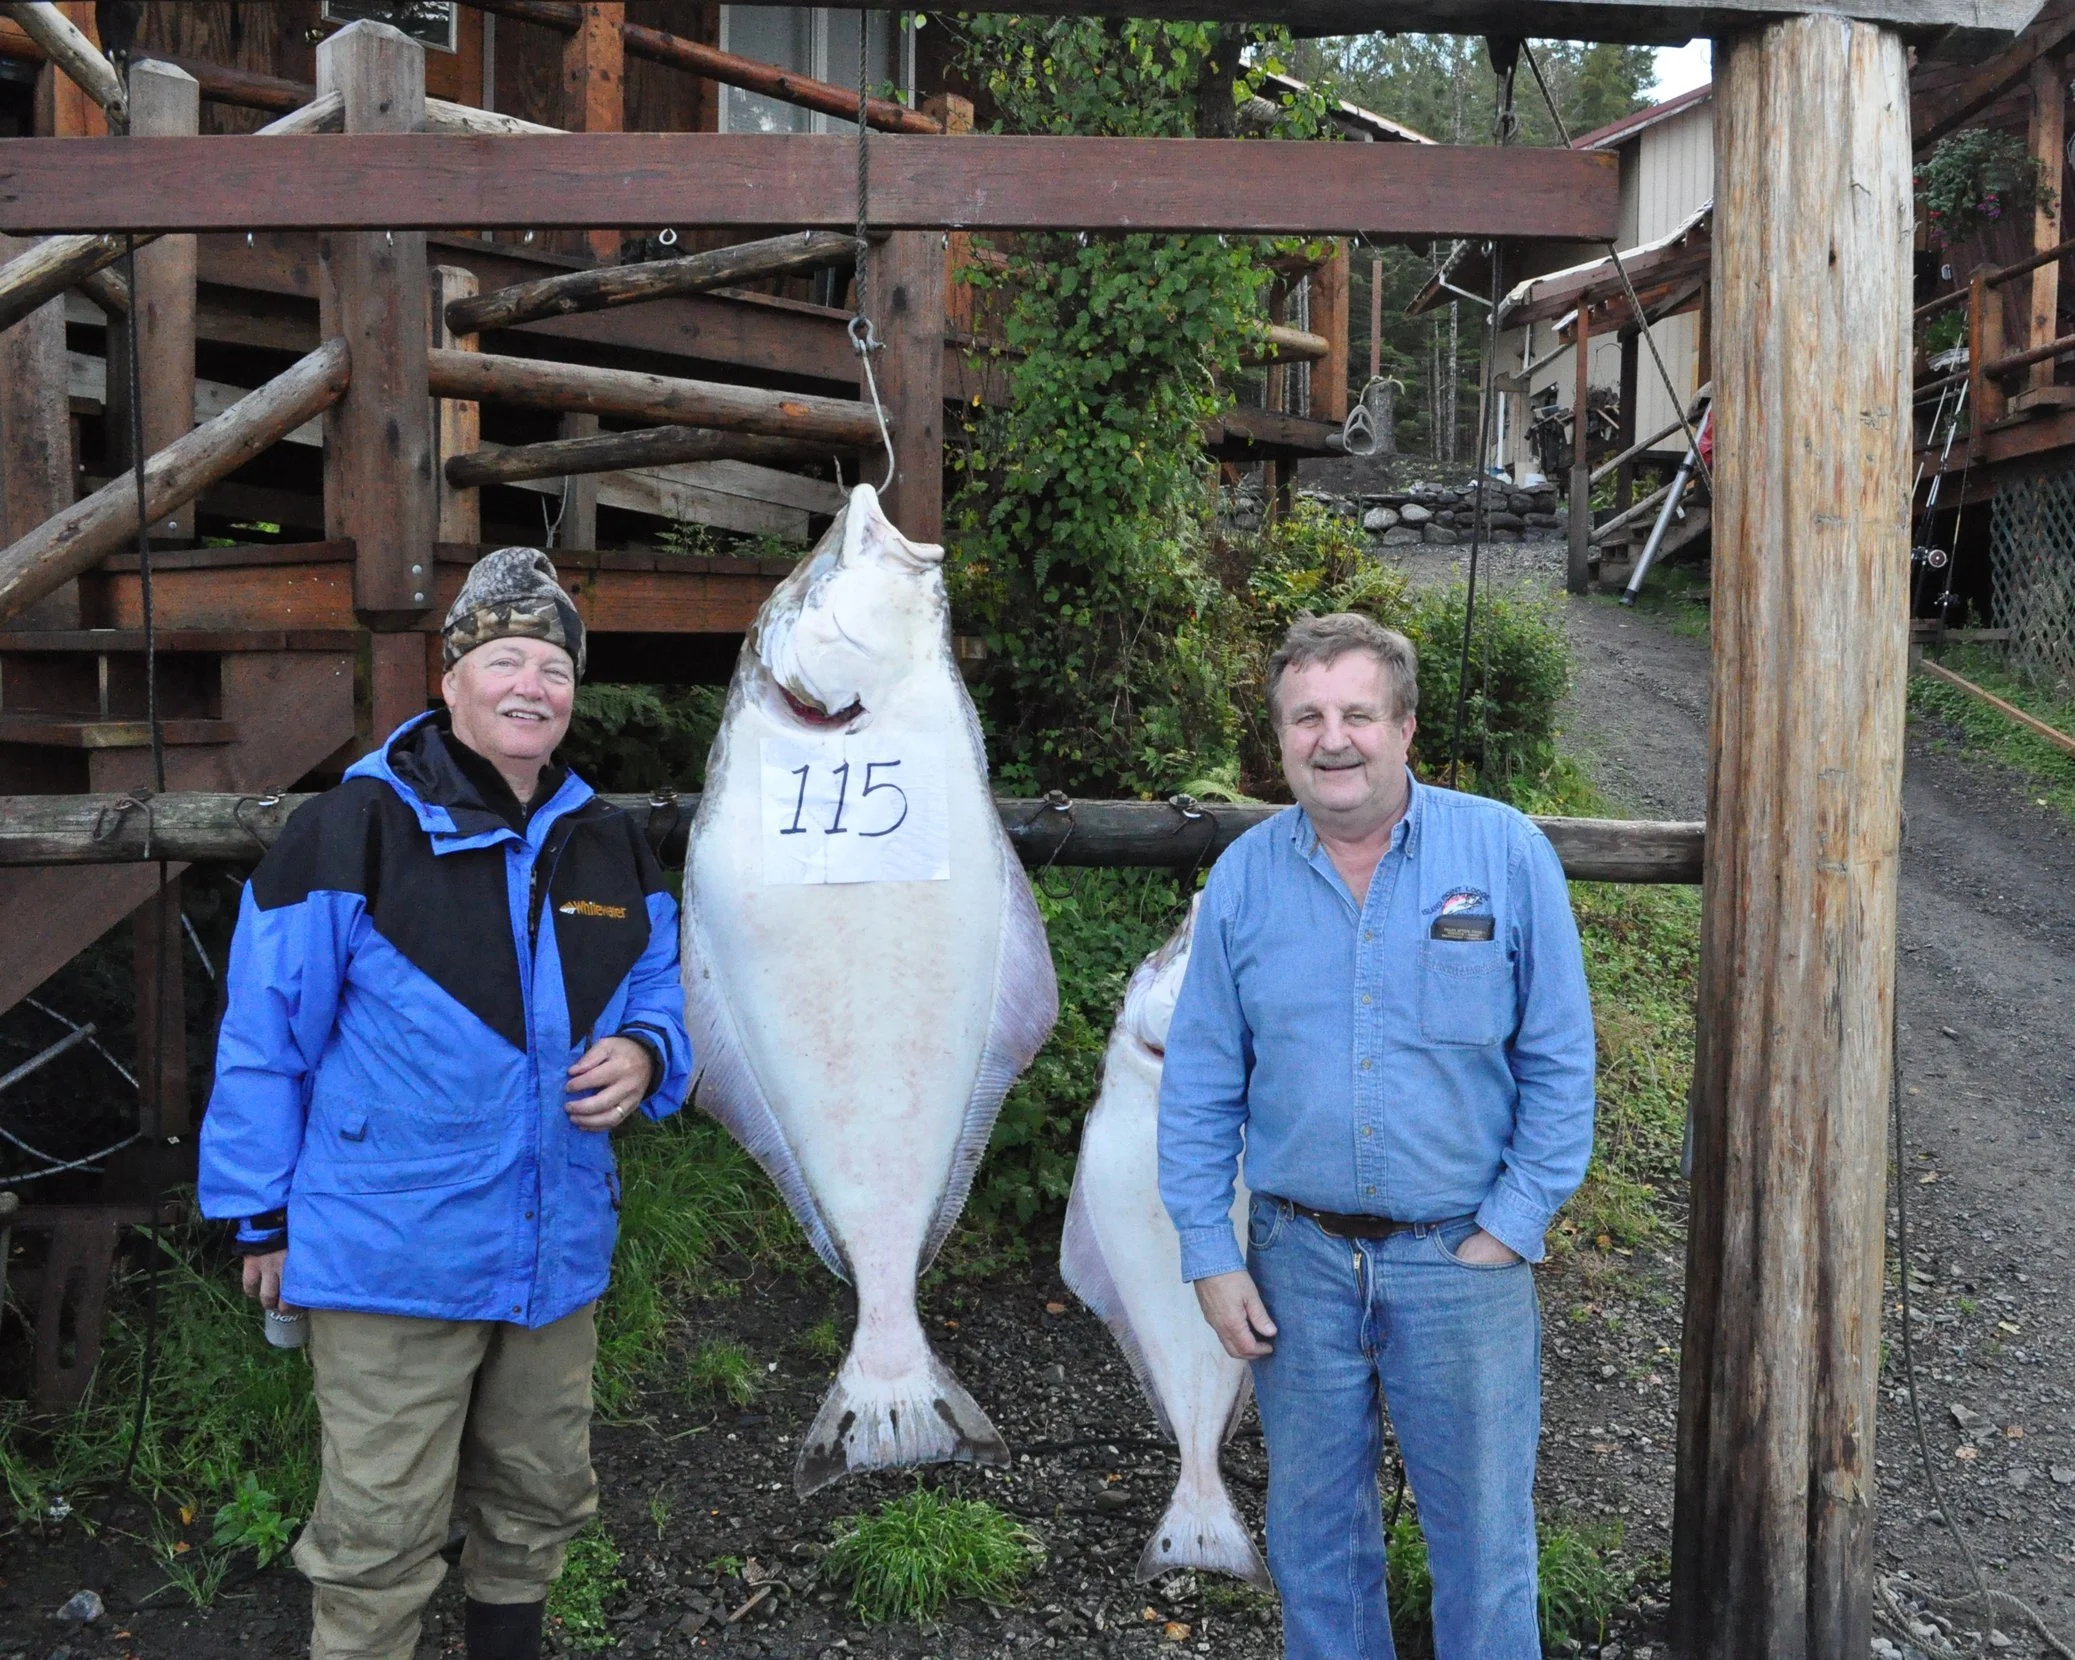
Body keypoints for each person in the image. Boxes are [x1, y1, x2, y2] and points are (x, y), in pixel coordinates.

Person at [199, 548, 692, 1660]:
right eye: (505, 658)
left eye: (554, 666)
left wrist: (650, 1054)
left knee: (537, 1501)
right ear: (452, 676)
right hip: (387, 1253)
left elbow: (659, 985)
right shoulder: (350, 827)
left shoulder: (606, 839)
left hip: (552, 1250)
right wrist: (262, 1217)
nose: (532, 685)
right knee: (378, 1533)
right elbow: (262, 1035)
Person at [1158, 612, 1596, 1660]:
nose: (1332, 738)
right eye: (1305, 717)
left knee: (1484, 1547)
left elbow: (1559, 1056)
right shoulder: (1243, 881)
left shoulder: (1503, 852)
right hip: (1296, 1263)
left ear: (1404, 729)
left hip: (1461, 1262)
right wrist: (1209, 1253)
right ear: (1279, 740)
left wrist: (1512, 1222)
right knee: (1314, 1540)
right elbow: (1200, 1080)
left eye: (1357, 712)